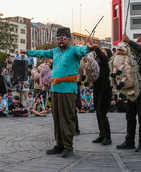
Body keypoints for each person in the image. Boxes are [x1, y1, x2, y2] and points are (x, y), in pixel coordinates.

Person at [21, 27, 96, 158]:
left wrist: (89, 48)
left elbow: (81, 50)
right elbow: (41, 52)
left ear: (68, 39)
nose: (59, 41)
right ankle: (59, 144)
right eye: (57, 38)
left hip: (68, 89)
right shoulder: (55, 51)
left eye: (62, 38)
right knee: (56, 117)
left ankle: (68, 146)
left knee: (66, 117)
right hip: (55, 89)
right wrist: (28, 52)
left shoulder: (73, 51)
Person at [117, 33, 141, 153]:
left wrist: (130, 42)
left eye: (139, 41)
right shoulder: (135, 56)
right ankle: (129, 141)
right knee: (130, 116)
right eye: (136, 41)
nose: (137, 43)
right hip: (132, 91)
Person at [92, 47, 112, 145]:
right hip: (97, 89)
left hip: (105, 90)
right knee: (98, 112)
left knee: (102, 113)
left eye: (104, 52)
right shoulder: (98, 62)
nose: (101, 54)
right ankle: (102, 135)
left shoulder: (107, 62)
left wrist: (96, 48)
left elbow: (103, 57)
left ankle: (107, 137)